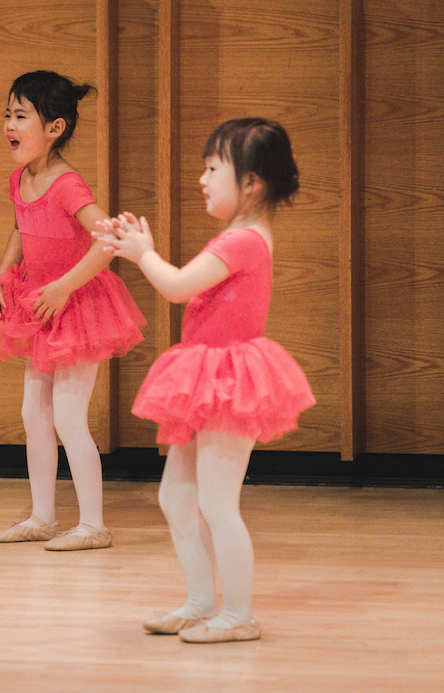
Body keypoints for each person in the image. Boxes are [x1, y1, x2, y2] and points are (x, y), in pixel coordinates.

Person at [94, 117, 314, 643]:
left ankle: (238, 615)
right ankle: (200, 601)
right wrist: (136, 247)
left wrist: (141, 251)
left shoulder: (243, 241)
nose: (203, 178)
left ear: (251, 183)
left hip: (229, 381)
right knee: (177, 498)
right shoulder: (240, 235)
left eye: (213, 168)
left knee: (216, 503)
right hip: (208, 375)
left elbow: (175, 286)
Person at [0, 71, 146, 550]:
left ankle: (94, 525)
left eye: (21, 116)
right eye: (7, 115)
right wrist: (3, 274)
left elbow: (110, 239)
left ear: (54, 128)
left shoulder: (66, 184)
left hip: (80, 307)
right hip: (41, 304)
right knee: (33, 413)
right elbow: (21, 227)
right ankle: (42, 516)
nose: (9, 126)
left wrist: (62, 287)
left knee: (67, 416)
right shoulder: (21, 178)